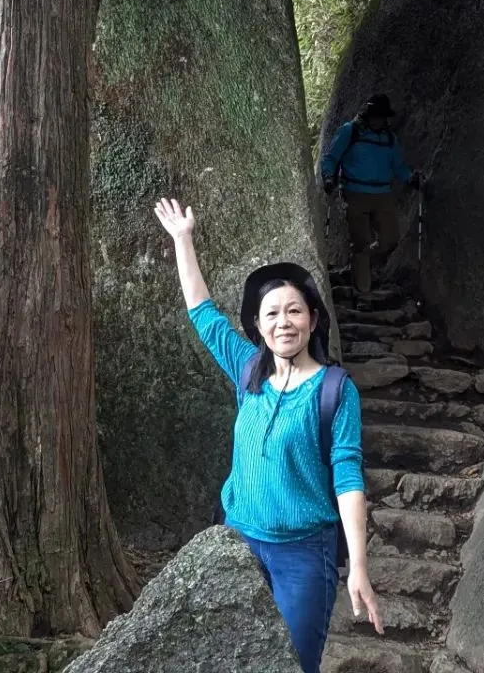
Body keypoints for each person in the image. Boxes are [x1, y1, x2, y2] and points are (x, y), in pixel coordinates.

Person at [153, 196, 383, 672]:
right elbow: (202, 312)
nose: (284, 322)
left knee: (294, 664)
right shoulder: (248, 370)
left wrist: (358, 564)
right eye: (272, 314)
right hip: (237, 542)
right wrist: (183, 240)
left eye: (295, 312)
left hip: (303, 553)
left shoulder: (335, 391)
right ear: (258, 325)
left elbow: (348, 478)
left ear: (313, 320)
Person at [319, 93, 421, 293]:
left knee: (390, 239)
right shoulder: (350, 131)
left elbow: (398, 166)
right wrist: (328, 177)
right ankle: (363, 291)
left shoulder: (390, 139)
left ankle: (358, 268)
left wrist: (411, 178)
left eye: (382, 116)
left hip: (382, 195)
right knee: (361, 242)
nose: (378, 120)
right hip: (354, 193)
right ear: (367, 114)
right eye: (375, 115)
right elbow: (330, 158)